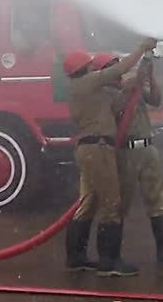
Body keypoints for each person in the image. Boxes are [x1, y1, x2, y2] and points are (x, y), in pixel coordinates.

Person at [62, 37, 156, 277]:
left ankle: (76, 258)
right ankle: (109, 262)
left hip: (90, 149)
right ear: (85, 68)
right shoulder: (88, 82)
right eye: (91, 64)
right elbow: (120, 69)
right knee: (112, 204)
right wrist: (141, 48)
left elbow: (116, 105)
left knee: (89, 203)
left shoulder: (84, 90)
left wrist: (134, 83)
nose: (95, 67)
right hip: (98, 149)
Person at [92, 52, 163, 267]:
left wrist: (149, 79)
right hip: (125, 153)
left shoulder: (129, 86)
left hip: (148, 149)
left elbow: (155, 100)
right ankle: (111, 257)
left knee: (157, 202)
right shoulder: (102, 92)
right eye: (113, 66)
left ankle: (162, 253)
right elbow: (114, 108)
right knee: (119, 206)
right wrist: (133, 85)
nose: (118, 70)